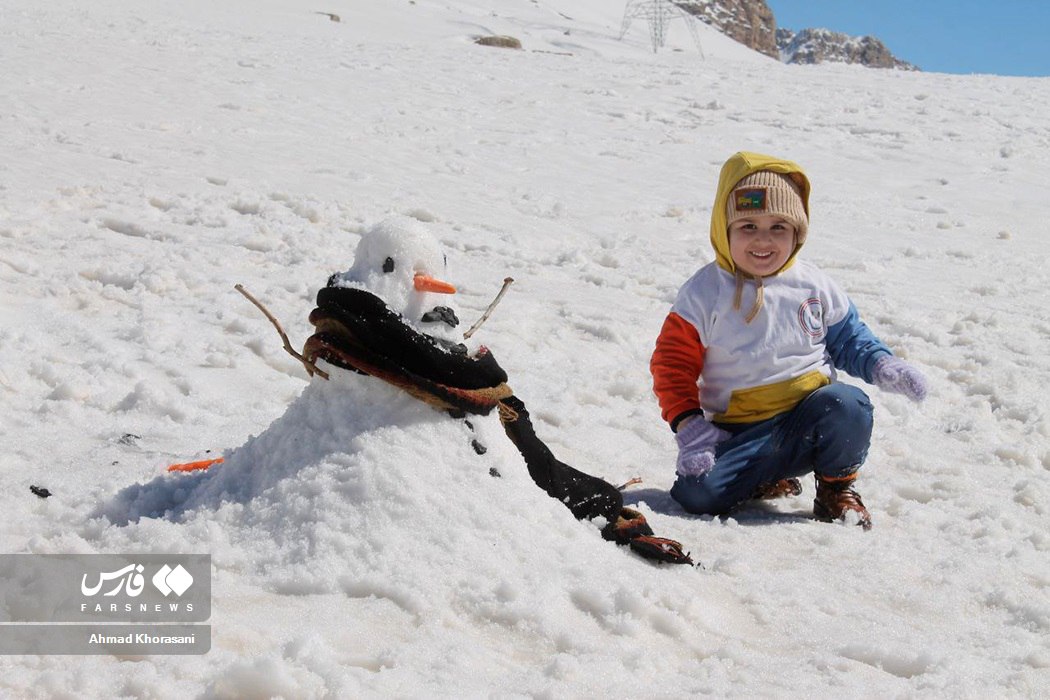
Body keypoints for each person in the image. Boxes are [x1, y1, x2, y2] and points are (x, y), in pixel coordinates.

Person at [650, 151, 928, 529]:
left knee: (847, 404)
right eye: (748, 226)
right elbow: (672, 364)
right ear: (723, 229)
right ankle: (762, 477)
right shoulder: (705, 292)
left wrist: (882, 363)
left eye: (779, 227)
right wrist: (689, 424)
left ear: (797, 232)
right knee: (696, 495)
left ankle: (835, 488)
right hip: (738, 434)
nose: (763, 240)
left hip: (808, 420)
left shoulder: (812, 283)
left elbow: (848, 338)